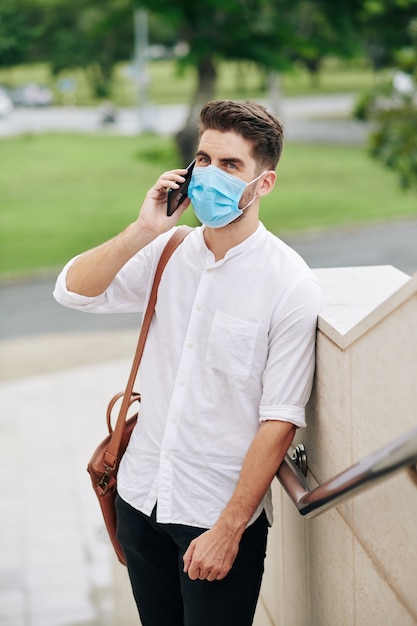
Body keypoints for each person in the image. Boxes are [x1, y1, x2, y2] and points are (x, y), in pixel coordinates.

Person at [53, 99, 321, 626]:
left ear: (263, 183)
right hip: (138, 497)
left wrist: (228, 530)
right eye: (203, 160)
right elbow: (73, 292)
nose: (209, 175)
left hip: (215, 520)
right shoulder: (168, 251)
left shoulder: (289, 283)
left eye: (230, 165)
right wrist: (142, 230)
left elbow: (280, 420)